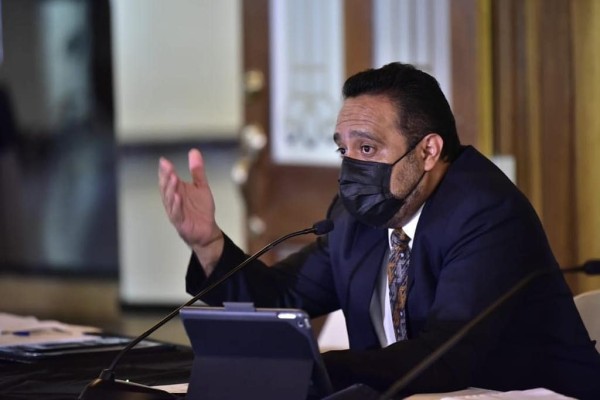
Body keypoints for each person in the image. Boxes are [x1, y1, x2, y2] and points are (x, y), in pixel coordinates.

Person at [158, 62, 600, 399]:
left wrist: (322, 370)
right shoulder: (357, 218)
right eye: (344, 150)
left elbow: (446, 356)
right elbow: (282, 297)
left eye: (367, 148)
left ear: (428, 150)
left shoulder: (486, 214)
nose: (351, 168)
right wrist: (209, 244)